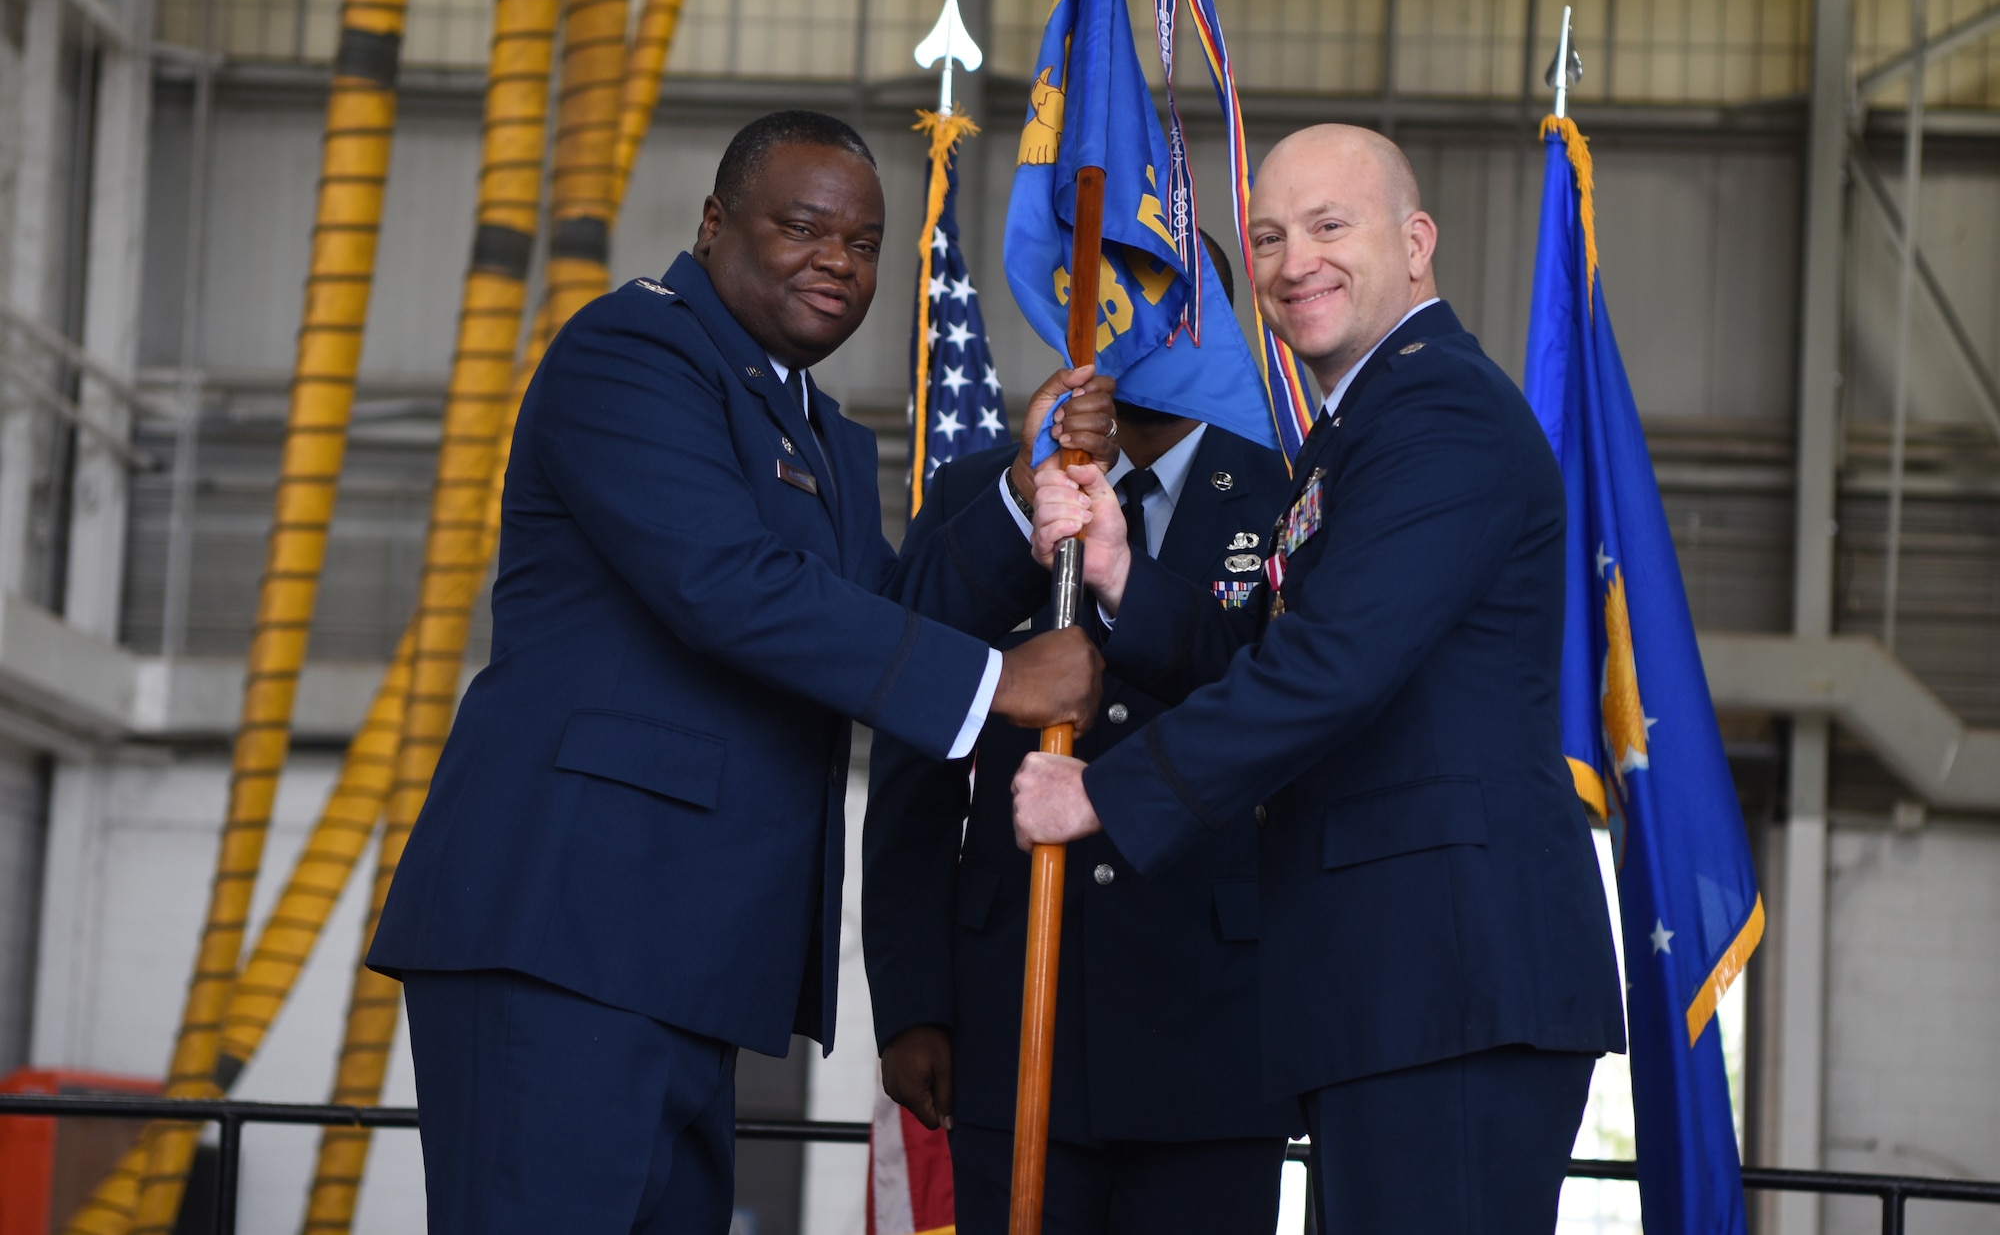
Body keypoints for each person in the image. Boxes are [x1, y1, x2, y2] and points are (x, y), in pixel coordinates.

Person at [369, 110, 1113, 1235]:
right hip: (566, 929)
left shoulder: (817, 427)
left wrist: (1019, 493)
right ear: (715, 222)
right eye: (802, 227)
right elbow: (729, 585)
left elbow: (878, 607)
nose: (837, 261)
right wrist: (996, 683)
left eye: (862, 243)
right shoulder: (631, 351)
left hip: (688, 951)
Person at [1013, 124, 1625, 1235]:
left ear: (1417, 240)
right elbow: (1268, 647)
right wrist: (1114, 569)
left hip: (1448, 981)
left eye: (1328, 225)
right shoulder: (1358, 429)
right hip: (1392, 985)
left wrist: (1106, 791)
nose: (1293, 261)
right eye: (1266, 236)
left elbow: (1329, 668)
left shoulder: (1437, 414)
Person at [863, 234, 1298, 1235]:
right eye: (1114, 312)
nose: (1139, 338)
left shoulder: (1282, 497)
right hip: (1012, 1005)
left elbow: (1293, 714)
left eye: (1171, 314)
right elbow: (912, 743)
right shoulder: (985, 489)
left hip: (1219, 1017)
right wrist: (913, 996)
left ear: (1216, 334)